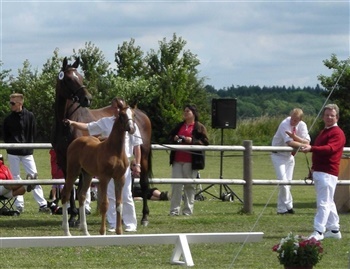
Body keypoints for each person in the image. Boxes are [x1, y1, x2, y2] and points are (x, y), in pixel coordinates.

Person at [65, 97, 141, 232]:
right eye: (116, 107)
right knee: (110, 194)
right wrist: (72, 123)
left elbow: (137, 145)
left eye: (120, 107)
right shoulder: (106, 122)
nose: (118, 110)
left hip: (124, 161)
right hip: (106, 159)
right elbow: (88, 127)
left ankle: (130, 223)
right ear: (112, 108)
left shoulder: (129, 122)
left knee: (126, 194)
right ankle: (112, 223)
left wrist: (138, 163)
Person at [300, 104, 345, 241]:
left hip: (328, 172)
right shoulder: (324, 131)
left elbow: (330, 149)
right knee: (329, 201)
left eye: (332, 115)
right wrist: (313, 168)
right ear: (323, 117)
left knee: (323, 203)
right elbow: (320, 150)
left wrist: (311, 148)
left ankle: (318, 231)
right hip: (320, 171)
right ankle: (334, 229)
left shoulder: (337, 133)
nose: (329, 118)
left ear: (337, 117)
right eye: (327, 115)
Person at [3, 93, 50, 213]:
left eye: (12, 103)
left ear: (20, 103)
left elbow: (33, 131)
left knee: (34, 176)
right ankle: (19, 205)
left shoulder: (30, 116)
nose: (10, 105)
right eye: (10, 102)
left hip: (27, 152)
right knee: (15, 178)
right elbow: (5, 136)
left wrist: (29, 145)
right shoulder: (8, 119)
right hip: (13, 152)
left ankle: (42, 204)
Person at [168, 104, 209, 216]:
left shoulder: (199, 127)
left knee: (189, 186)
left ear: (194, 113)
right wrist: (175, 138)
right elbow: (170, 137)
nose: (185, 113)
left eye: (188, 111)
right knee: (176, 185)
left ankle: (187, 211)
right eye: (184, 111)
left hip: (191, 161)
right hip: (177, 159)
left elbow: (205, 142)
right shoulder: (179, 125)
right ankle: (174, 211)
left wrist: (191, 140)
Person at [271, 108, 311, 215]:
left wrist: (295, 137)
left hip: (290, 156)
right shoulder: (284, 123)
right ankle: (289, 206)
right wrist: (304, 146)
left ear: (300, 120)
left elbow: (307, 140)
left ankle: (281, 209)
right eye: (292, 119)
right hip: (278, 155)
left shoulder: (302, 125)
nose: (293, 122)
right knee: (283, 182)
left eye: (296, 120)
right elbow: (289, 142)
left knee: (287, 184)